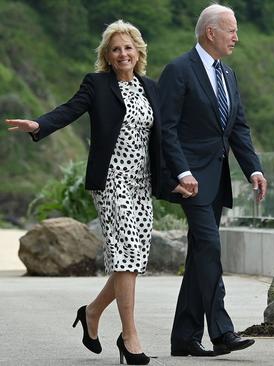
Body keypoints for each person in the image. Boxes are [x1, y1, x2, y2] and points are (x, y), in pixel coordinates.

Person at [4, 20, 183, 365]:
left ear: (138, 51)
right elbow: (69, 109)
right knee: (127, 254)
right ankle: (130, 338)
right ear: (107, 55)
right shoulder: (97, 85)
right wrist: (40, 124)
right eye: (115, 49)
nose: (122, 54)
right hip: (111, 181)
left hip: (141, 184)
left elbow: (165, 138)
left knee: (131, 261)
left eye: (128, 47)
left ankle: (91, 312)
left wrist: (180, 174)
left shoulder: (151, 88)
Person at [157, 4, 267, 358]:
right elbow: (166, 129)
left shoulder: (228, 74)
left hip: (217, 180)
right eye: (231, 30)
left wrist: (253, 169)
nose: (236, 36)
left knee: (200, 255)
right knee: (210, 247)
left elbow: (238, 129)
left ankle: (183, 338)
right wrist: (182, 172)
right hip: (190, 180)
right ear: (211, 32)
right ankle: (222, 331)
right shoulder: (178, 70)